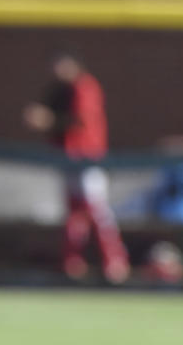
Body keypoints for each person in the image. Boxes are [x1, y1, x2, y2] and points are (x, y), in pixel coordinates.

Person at [23, 51, 130, 284]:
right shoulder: (59, 89)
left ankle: (115, 262)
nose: (58, 70)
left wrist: (49, 120)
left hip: (88, 157)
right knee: (74, 212)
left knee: (97, 209)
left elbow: (80, 121)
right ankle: (72, 264)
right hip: (68, 157)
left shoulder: (85, 87)